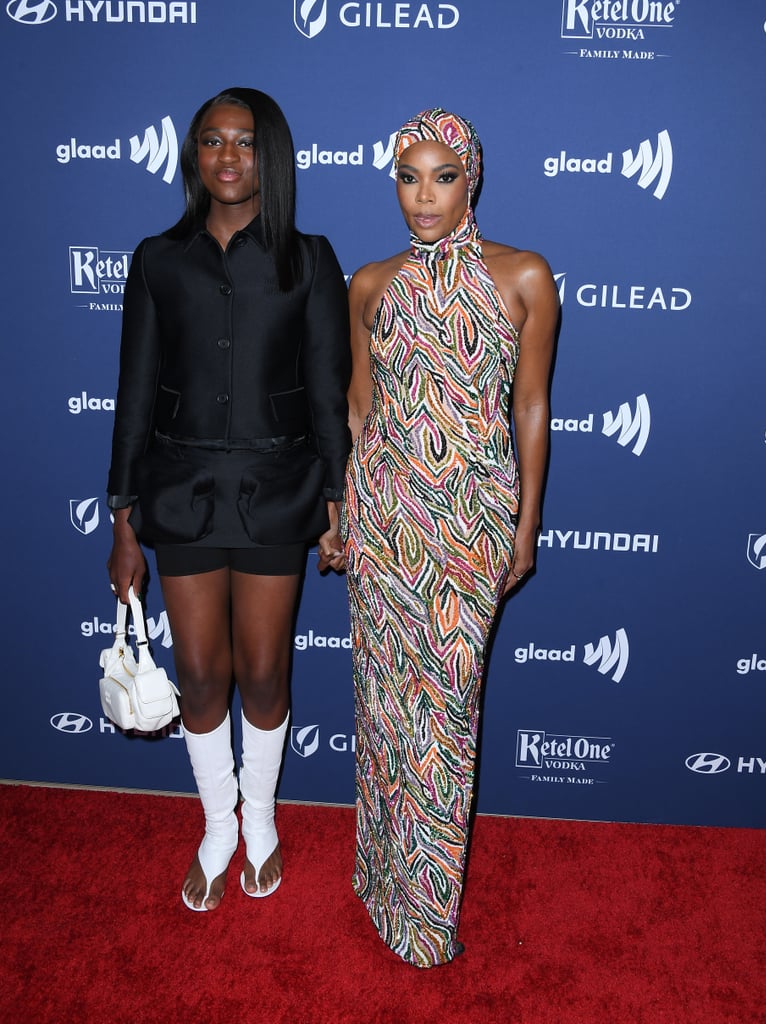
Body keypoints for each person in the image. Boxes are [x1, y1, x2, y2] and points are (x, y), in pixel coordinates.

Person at [106, 87, 351, 912]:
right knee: (201, 675)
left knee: (263, 672)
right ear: (194, 157)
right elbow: (133, 394)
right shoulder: (157, 259)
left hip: (280, 493)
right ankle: (217, 827)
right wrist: (123, 521)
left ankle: (263, 822)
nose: (227, 156)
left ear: (269, 155)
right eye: (211, 141)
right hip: (179, 493)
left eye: (244, 142)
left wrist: (337, 503)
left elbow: (327, 392)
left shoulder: (309, 259)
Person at [340, 108, 558, 966]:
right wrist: (340, 513)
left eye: (441, 176)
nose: (422, 197)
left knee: (445, 720)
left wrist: (527, 524)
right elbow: (359, 409)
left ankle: (424, 921)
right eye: (407, 176)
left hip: (469, 527)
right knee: (387, 711)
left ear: (472, 179)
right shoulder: (370, 283)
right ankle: (381, 876)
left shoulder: (524, 278)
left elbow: (532, 408)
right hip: (386, 522)